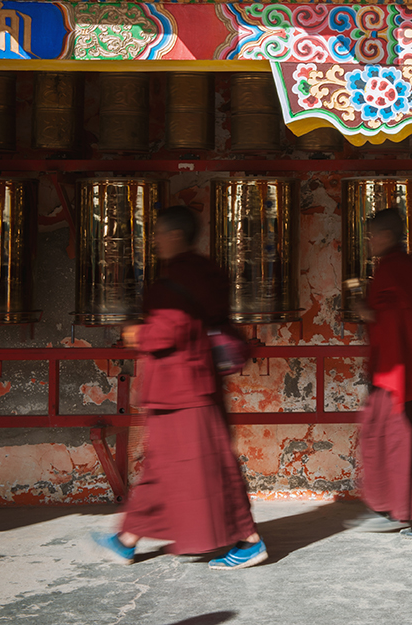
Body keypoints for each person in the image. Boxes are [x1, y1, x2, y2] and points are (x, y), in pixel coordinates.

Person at [93, 205, 267, 570]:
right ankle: (126, 540)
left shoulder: (178, 278)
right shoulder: (206, 272)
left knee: (207, 466)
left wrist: (137, 333)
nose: (155, 241)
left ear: (174, 235)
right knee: (164, 466)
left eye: (158, 234)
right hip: (199, 384)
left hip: (182, 390)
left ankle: (249, 541)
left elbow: (170, 328)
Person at [345, 208, 412, 540]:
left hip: (400, 377)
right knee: (394, 443)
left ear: (387, 235)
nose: (370, 242)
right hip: (409, 372)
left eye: (372, 235)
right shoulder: (405, 268)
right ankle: (403, 511)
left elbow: (393, 320)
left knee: (401, 444)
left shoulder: (393, 269)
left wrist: (367, 312)